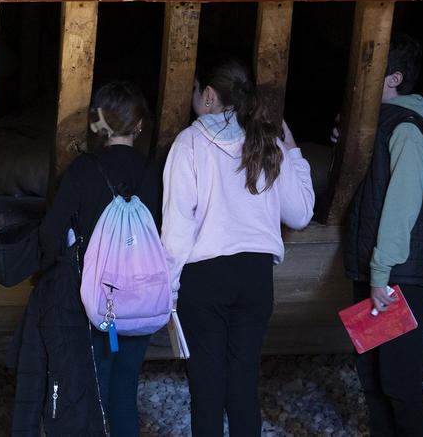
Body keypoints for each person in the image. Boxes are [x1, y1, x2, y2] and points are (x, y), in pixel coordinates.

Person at [161, 58, 315, 437]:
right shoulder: (267, 140)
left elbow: (177, 226)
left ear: (209, 96)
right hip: (256, 278)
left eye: (197, 92)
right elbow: (301, 214)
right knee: (243, 383)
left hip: (205, 279)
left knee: (207, 387)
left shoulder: (189, 143)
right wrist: (293, 151)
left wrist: (168, 287)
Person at [37, 80, 161, 437]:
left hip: (93, 298)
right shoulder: (151, 172)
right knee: (125, 393)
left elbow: (51, 231)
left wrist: (49, 269)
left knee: (94, 392)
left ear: (99, 124)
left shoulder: (82, 170)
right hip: (140, 297)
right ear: (138, 126)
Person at [342, 33, 423, 437]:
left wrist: (381, 274)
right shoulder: (378, 126)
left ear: (394, 78)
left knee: (398, 380)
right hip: (377, 271)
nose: (360, 79)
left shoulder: (409, 130)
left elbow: (402, 207)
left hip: (395, 274)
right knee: (373, 379)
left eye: (372, 71)